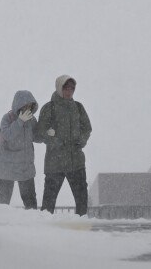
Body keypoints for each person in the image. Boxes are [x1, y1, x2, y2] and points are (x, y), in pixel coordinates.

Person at [35, 75, 92, 216]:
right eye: (66, 88)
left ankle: (81, 229)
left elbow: (87, 128)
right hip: (55, 163)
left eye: (72, 88)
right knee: (48, 204)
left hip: (76, 162)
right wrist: (55, 141)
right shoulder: (49, 108)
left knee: (82, 201)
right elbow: (40, 132)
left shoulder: (78, 107)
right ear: (59, 88)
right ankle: (45, 231)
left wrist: (82, 140)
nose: (69, 91)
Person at [0, 90, 41, 209]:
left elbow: (36, 137)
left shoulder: (31, 120)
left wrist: (47, 134)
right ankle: (0, 224)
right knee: (4, 199)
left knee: (30, 201)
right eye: (25, 106)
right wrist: (19, 122)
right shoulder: (7, 118)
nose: (27, 109)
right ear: (18, 105)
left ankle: (34, 225)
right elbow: (7, 135)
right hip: (6, 165)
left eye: (30, 106)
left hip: (25, 166)